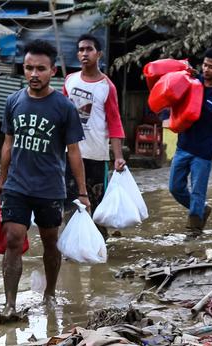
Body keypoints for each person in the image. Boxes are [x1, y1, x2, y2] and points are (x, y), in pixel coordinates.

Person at [0, 40, 87, 323]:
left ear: (52, 71)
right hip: (17, 185)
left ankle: (50, 293)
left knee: (50, 242)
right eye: (29, 68)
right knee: (13, 239)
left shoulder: (64, 108)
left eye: (41, 69)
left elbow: (74, 152)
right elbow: (7, 144)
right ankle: (10, 304)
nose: (34, 74)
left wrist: (82, 192)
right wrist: (1, 181)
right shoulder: (13, 101)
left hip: (49, 188)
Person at [169, 47, 212, 233]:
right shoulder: (191, 82)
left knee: (198, 192)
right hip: (183, 146)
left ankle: (194, 231)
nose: (206, 69)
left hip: (204, 152)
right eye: (205, 65)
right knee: (175, 188)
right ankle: (201, 209)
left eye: (211, 67)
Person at [62, 33, 126, 217]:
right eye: (81, 49)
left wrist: (118, 157)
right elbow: (62, 115)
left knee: (97, 208)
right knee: (71, 206)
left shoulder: (107, 86)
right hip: (71, 154)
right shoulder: (70, 81)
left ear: (99, 54)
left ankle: (99, 243)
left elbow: (115, 122)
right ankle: (72, 244)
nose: (84, 53)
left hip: (97, 156)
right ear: (77, 55)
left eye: (89, 49)